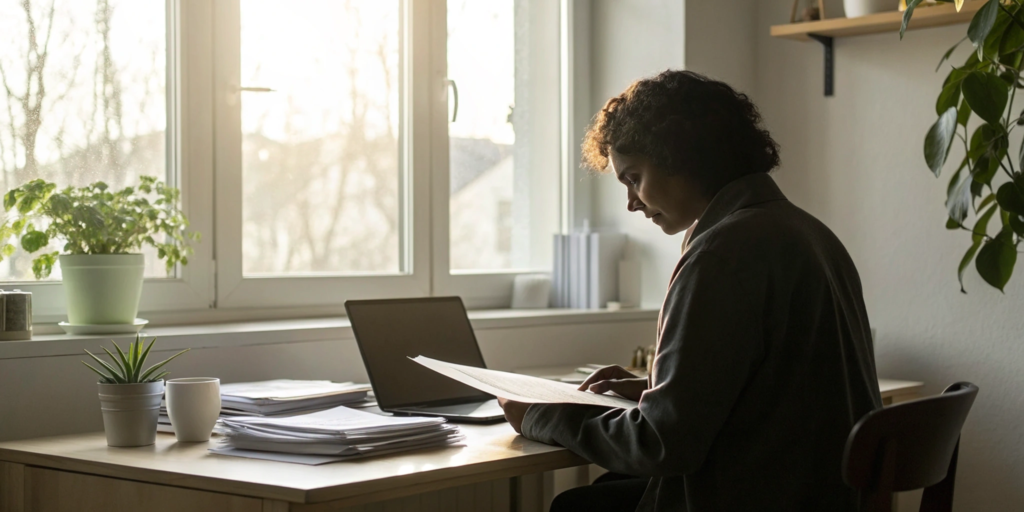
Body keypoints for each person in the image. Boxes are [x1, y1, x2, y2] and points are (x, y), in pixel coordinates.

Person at [497, 70, 882, 512]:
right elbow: (777, 385)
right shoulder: (809, 233)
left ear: (681, 157)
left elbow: (662, 444)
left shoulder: (721, 255)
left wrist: (542, 415)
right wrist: (657, 389)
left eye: (634, 178)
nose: (631, 202)